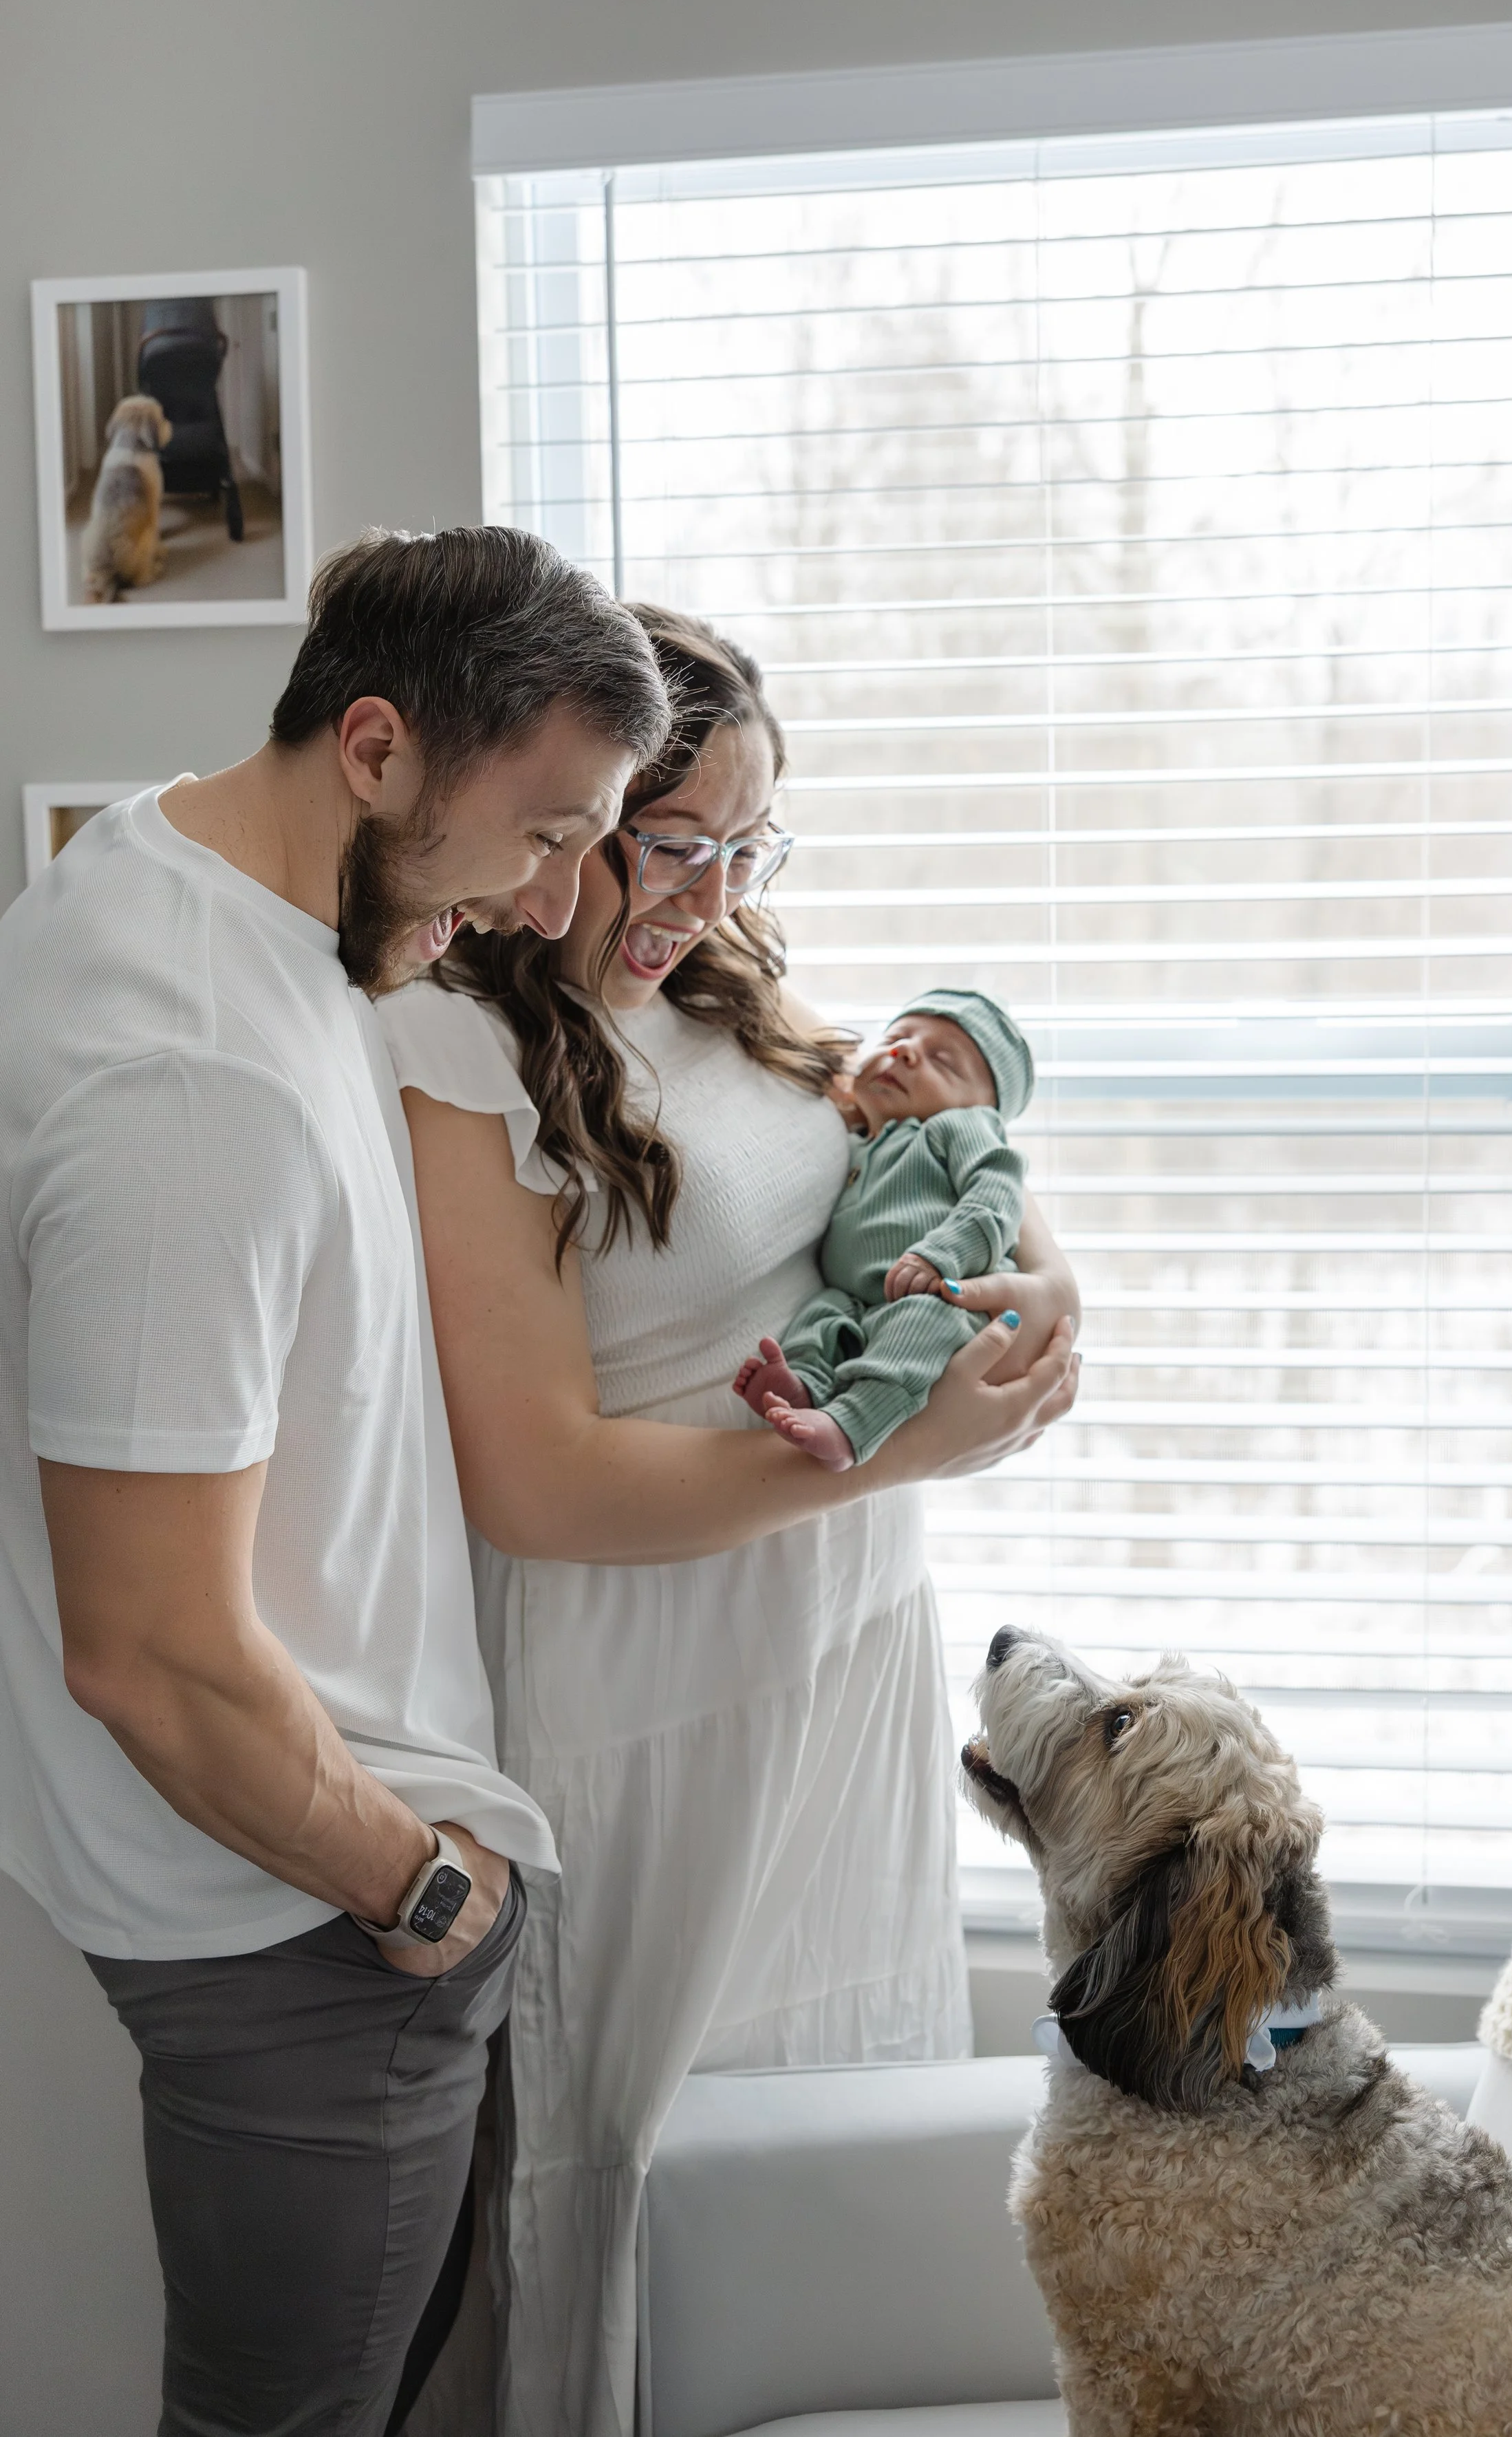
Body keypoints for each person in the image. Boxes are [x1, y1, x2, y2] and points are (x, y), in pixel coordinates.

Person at [378, 605, 1081, 2437]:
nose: (711, 886)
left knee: (828, 2140)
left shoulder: (720, 982)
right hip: (643, 1675)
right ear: (568, 805)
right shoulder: (463, 1052)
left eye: (749, 843)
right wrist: (891, 1453)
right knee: (645, 2159)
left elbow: (918, 1154)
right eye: (672, 840)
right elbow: (531, 1471)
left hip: (835, 1651)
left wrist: (1034, 1278)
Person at [0, 526, 671, 2437]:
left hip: (305, 1893)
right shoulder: (187, 1076)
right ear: (372, 746)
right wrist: (424, 1889)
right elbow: (147, 1646)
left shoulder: (167, 870)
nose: (557, 902)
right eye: (542, 833)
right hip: (304, 1924)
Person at [739, 988, 1036, 1470]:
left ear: (986, 1107)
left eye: (943, 1060)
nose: (904, 1051)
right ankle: (804, 1387)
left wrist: (943, 1254)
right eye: (896, 1036)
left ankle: (853, 1424)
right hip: (854, 1297)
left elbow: (998, 1192)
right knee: (819, 1320)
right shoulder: (860, 1141)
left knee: (921, 1328)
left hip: (937, 1294)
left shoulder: (958, 1128)